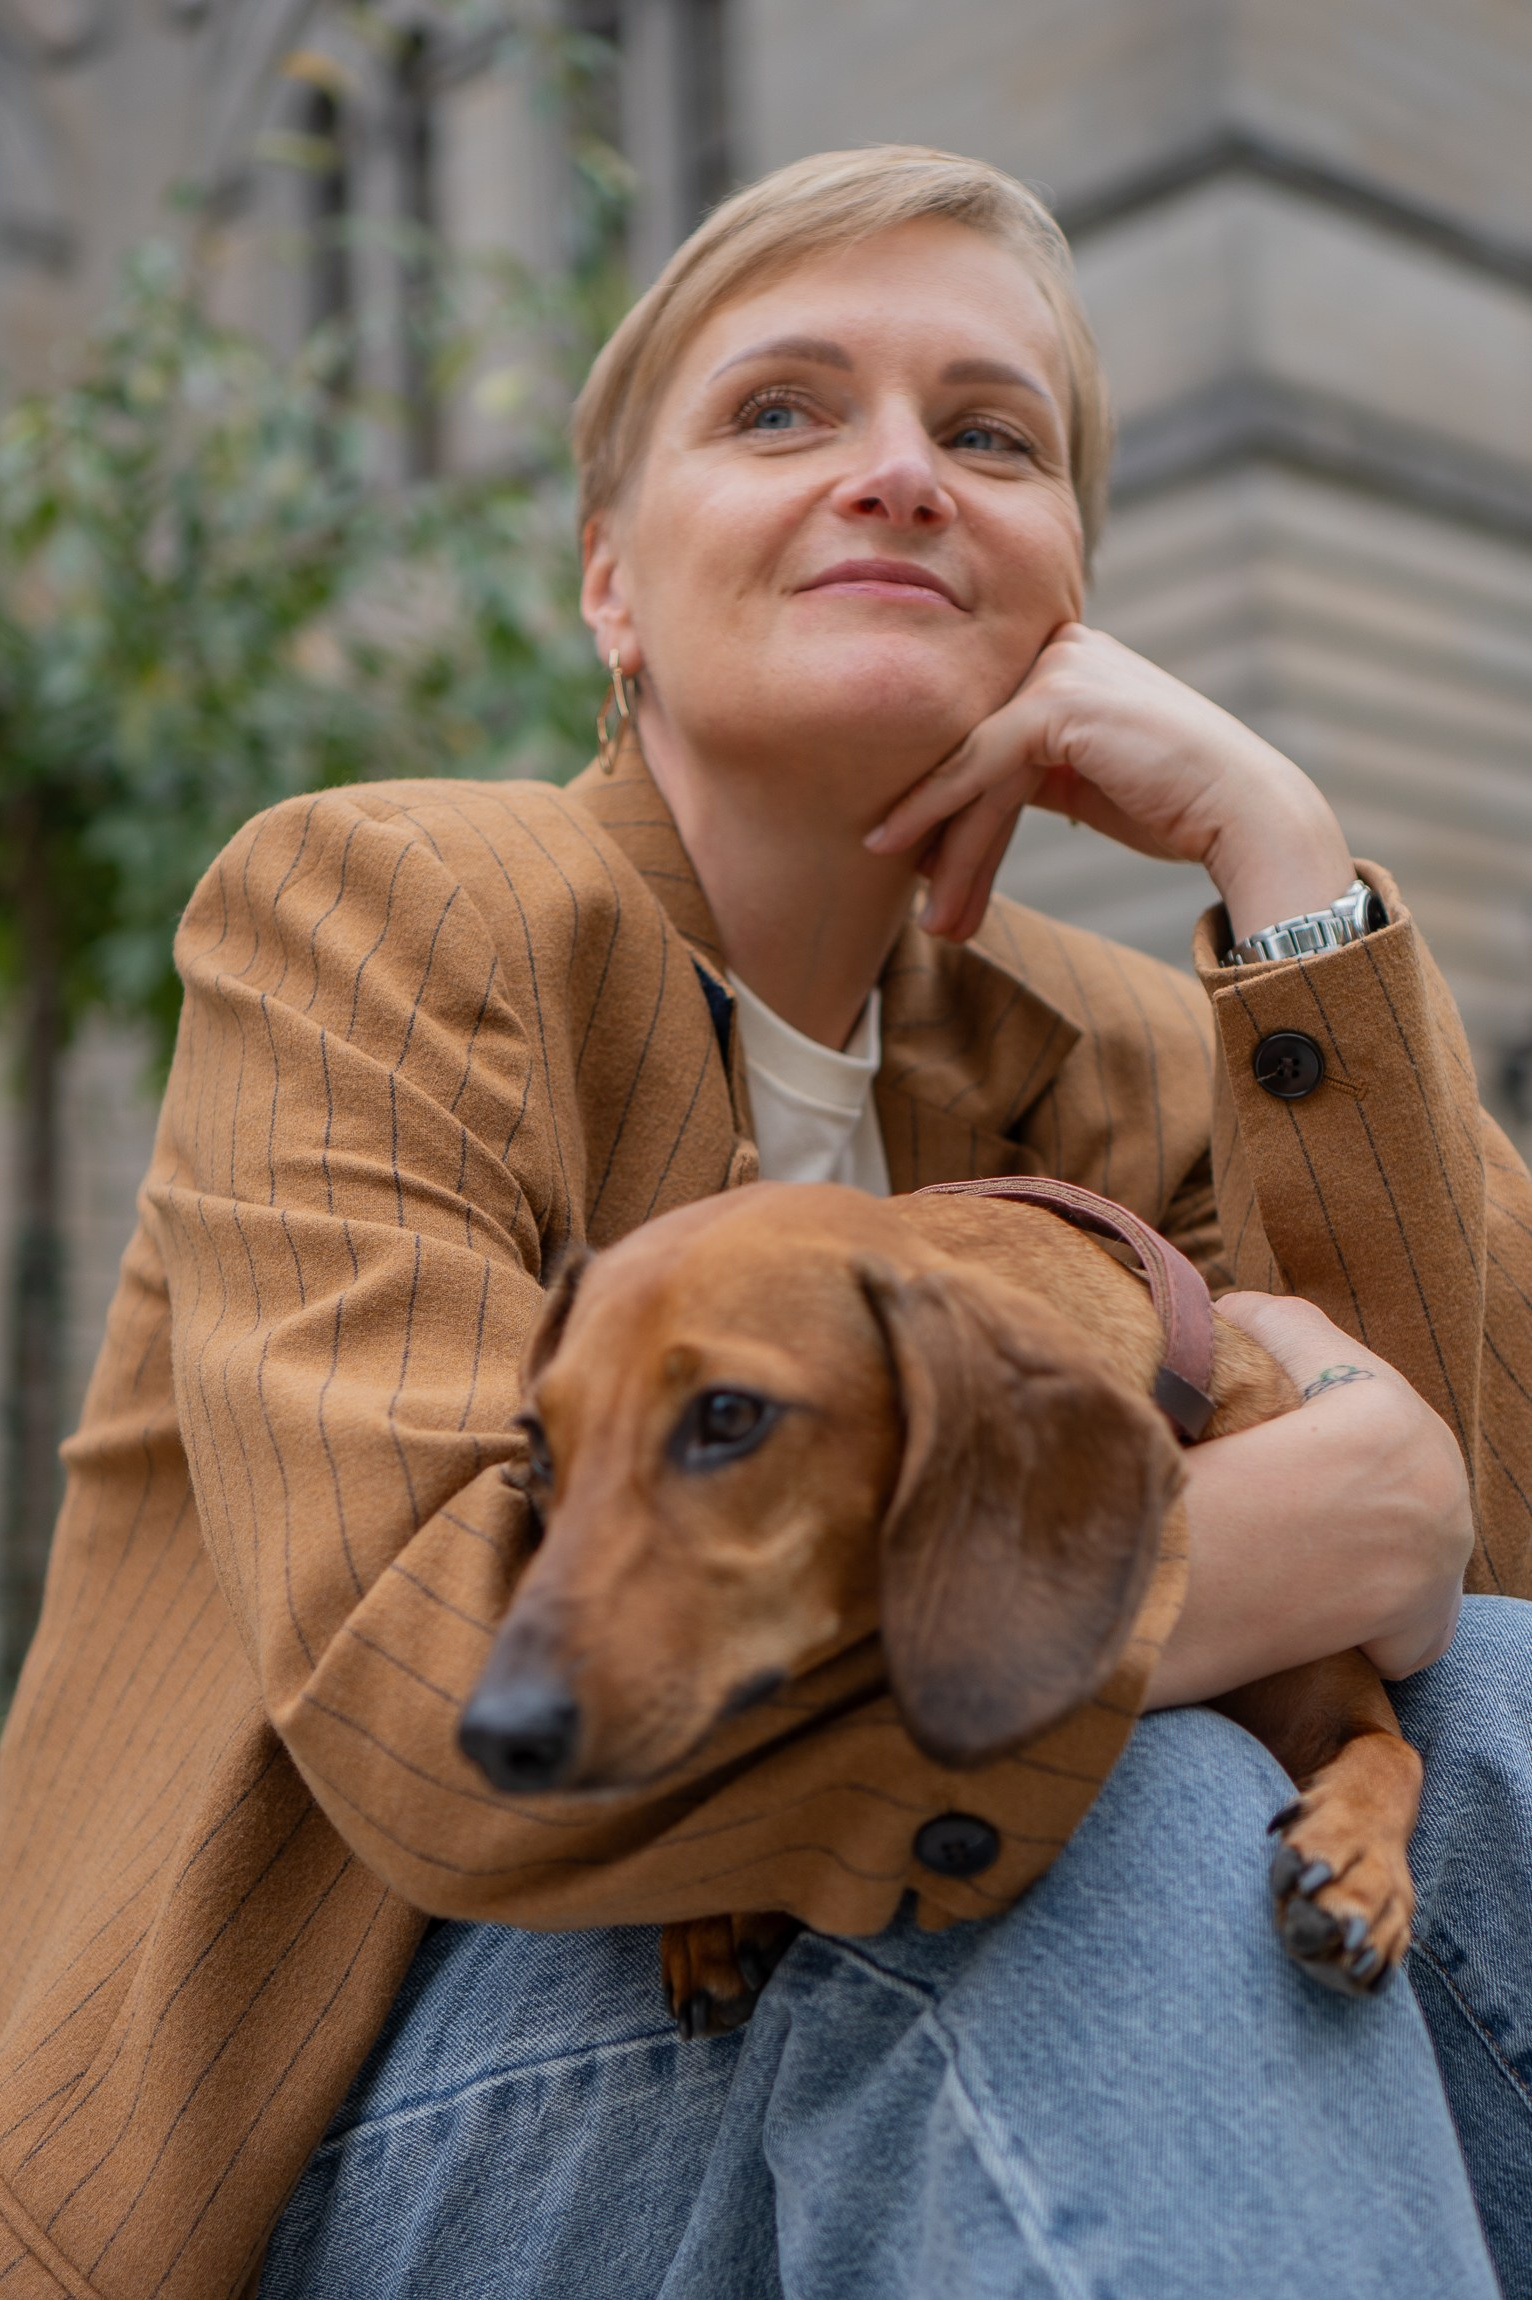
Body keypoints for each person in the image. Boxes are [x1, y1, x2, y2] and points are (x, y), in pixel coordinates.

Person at [0, 145, 1529, 2300]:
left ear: (1064, 595)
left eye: (987, 436)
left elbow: (1472, 1565)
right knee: (1120, 1827)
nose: (898, 473)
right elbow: (447, 1693)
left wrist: (1277, 865)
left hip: (857, 2029)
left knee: (1498, 1720)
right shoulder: (394, 908)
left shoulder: (1108, 1051)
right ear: (612, 583)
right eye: (783, 410)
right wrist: (1266, 1552)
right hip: (354, 2138)